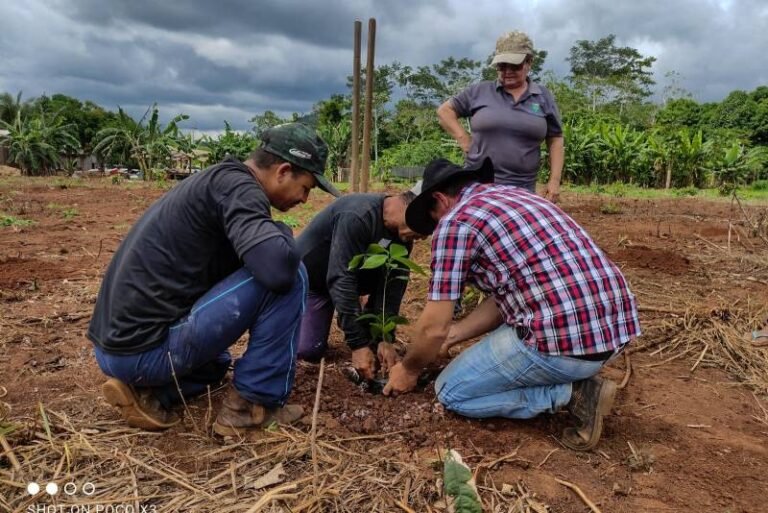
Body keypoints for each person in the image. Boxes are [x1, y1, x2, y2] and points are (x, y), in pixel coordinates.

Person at [87, 123, 340, 435]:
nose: (304, 198)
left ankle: (149, 393)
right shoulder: (240, 189)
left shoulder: (219, 181)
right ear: (284, 171)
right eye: (307, 187)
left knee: (216, 364)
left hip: (116, 350)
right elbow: (277, 271)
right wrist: (282, 232)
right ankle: (252, 406)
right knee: (294, 275)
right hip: (144, 351)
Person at [384, 158, 641, 450]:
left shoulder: (456, 221)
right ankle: (574, 378)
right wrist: (453, 336)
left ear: (440, 199)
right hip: (611, 337)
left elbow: (432, 328)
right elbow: (504, 298)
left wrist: (409, 369)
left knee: (452, 391)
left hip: (563, 346)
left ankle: (571, 394)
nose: (435, 227)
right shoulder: (519, 198)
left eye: (432, 219)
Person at [296, 189, 423, 380]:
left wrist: (384, 338)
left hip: (349, 283)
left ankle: (357, 315)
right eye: (424, 227)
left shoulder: (403, 236)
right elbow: (341, 277)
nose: (423, 237)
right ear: (408, 209)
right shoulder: (357, 215)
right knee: (307, 349)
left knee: (376, 348)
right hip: (314, 283)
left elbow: (392, 288)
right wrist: (358, 345)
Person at [436, 31, 565, 202]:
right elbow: (444, 112)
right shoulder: (479, 92)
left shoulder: (543, 96)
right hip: (478, 186)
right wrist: (465, 141)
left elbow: (555, 139)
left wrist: (554, 181)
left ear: (529, 62)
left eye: (515, 65)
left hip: (523, 189)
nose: (507, 71)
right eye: (502, 66)